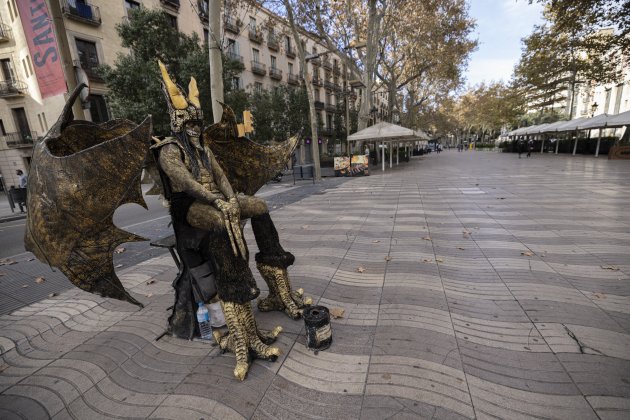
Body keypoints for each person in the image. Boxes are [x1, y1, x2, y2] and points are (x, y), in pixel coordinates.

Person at [153, 61, 306, 380]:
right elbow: (185, 183)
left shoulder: (205, 150)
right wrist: (219, 202)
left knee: (260, 206)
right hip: (189, 210)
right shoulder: (169, 149)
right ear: (179, 123)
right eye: (190, 123)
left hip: (218, 201)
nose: (195, 128)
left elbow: (220, 177)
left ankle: (278, 288)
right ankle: (243, 338)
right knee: (224, 225)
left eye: (198, 122)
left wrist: (232, 199)